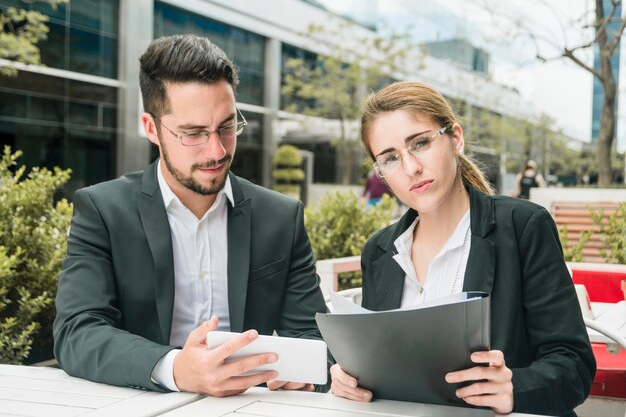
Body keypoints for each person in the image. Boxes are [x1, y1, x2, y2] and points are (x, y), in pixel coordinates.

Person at [53, 34, 329, 396]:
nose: (216, 150)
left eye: (227, 127)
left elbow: (315, 342)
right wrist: (174, 368)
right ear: (152, 128)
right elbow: (77, 332)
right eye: (193, 133)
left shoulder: (280, 216)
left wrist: (305, 372)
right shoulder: (103, 210)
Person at [329, 81, 595, 416]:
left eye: (420, 143)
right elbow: (376, 364)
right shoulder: (380, 251)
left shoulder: (523, 225)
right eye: (390, 159)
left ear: (455, 138)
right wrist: (347, 377)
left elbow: (574, 364)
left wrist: (515, 386)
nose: (411, 168)